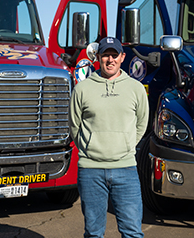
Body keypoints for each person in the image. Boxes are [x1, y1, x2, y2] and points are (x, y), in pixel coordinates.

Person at [69, 37, 149, 238]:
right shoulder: (82, 89)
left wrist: (126, 145)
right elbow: (74, 126)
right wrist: (91, 148)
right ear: (98, 57)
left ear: (122, 57)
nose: (110, 60)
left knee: (132, 232)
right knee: (94, 233)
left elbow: (141, 124)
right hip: (90, 171)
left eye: (115, 55)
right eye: (106, 55)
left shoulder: (136, 89)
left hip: (126, 169)